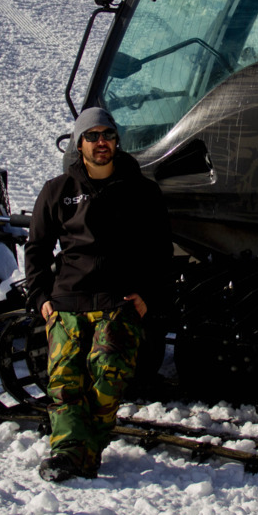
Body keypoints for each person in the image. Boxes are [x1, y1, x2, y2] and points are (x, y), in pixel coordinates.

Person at [24, 107, 173, 483]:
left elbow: (160, 251)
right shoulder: (58, 191)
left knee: (107, 377)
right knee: (64, 384)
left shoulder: (142, 191)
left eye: (107, 134)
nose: (101, 142)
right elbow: (37, 249)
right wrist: (41, 297)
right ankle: (69, 455)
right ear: (80, 144)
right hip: (67, 302)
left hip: (118, 301)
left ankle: (82, 452)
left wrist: (148, 296)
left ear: (116, 140)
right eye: (92, 136)